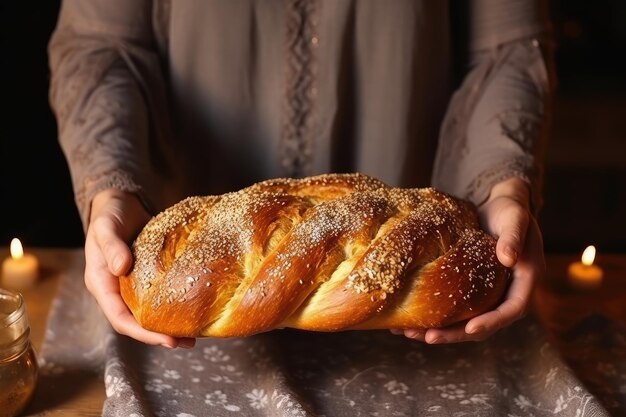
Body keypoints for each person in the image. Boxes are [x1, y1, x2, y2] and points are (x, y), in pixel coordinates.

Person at [48, 0, 554, 349]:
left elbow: (506, 48)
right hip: (197, 273)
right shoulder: (162, 262)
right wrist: (111, 185)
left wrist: (501, 182)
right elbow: (100, 45)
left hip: (410, 269)